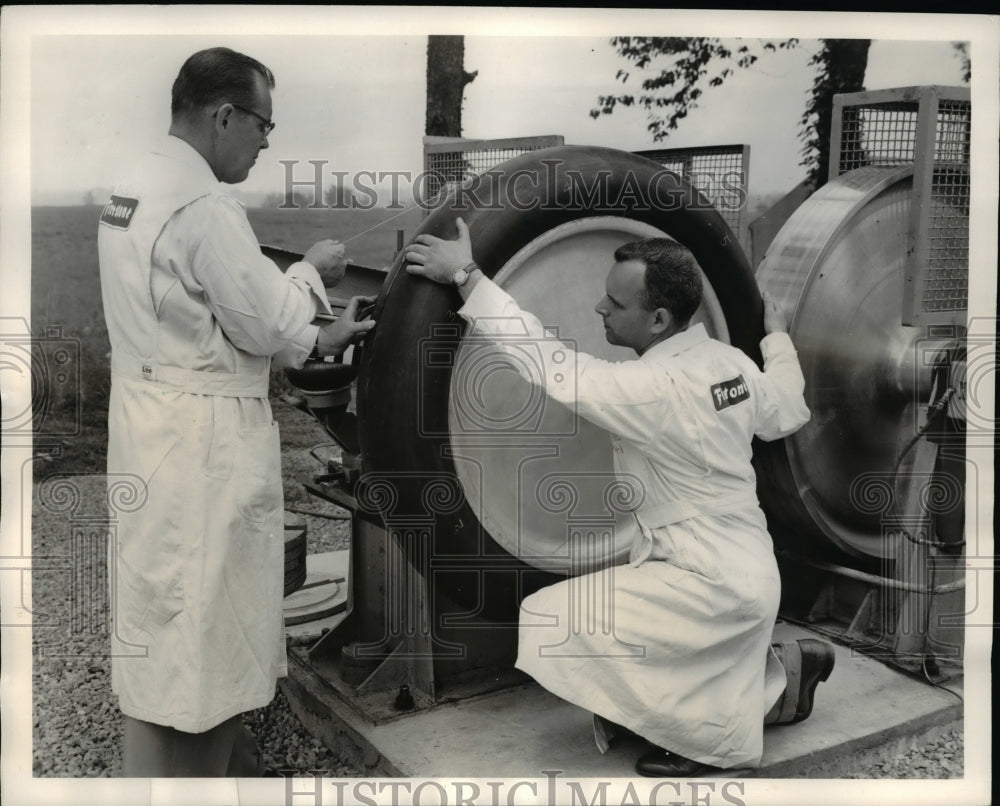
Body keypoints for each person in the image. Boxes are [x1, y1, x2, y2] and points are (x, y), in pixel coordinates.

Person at [405, 219, 835, 776]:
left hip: (711, 581)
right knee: (634, 632)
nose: (598, 308)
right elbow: (787, 409)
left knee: (551, 620)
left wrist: (466, 275)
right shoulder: (732, 366)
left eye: (614, 301)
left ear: (658, 318)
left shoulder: (653, 388)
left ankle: (711, 746)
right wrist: (775, 338)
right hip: (745, 569)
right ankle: (772, 677)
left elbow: (547, 363)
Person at [98, 47, 375, 777]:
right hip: (201, 440)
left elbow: (201, 304)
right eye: (262, 125)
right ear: (224, 115)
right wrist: (313, 276)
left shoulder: (130, 184)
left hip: (148, 421)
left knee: (163, 614)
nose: (265, 142)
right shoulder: (206, 206)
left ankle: (181, 772)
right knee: (209, 626)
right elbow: (269, 327)